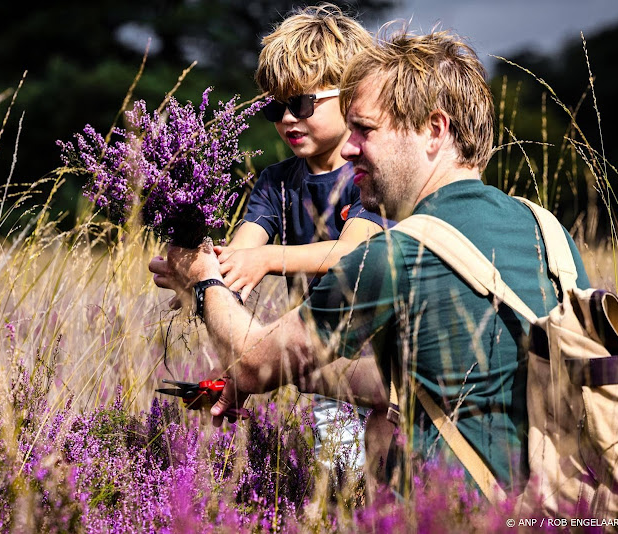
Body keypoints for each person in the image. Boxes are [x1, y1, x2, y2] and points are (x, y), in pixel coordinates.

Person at [149, 27, 591, 496]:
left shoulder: (391, 256)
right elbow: (419, 380)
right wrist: (293, 370)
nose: (350, 147)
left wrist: (202, 280)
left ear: (434, 131)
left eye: (365, 130)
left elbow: (253, 363)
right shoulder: (549, 233)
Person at [217, 3, 387, 474]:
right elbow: (242, 251)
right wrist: (206, 274)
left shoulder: (370, 175)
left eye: (303, 104)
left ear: (351, 98)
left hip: (388, 362)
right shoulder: (276, 181)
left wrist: (270, 258)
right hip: (323, 359)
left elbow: (352, 250)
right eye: (276, 106)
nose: (288, 118)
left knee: (391, 482)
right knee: (340, 483)